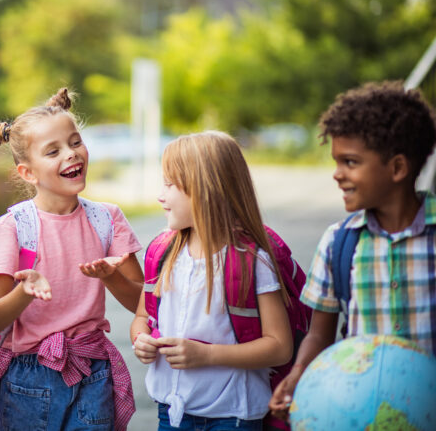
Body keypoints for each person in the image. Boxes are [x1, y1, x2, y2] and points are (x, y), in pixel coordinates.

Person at [0, 88, 144, 431]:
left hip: (93, 369)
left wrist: (112, 278)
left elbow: (143, 302)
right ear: (28, 173)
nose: (71, 154)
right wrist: (25, 291)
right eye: (53, 151)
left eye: (75, 142)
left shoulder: (108, 219)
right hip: (28, 378)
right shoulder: (13, 228)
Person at [269, 81, 436, 420]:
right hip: (363, 412)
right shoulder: (339, 243)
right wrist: (300, 372)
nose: (336, 174)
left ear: (398, 168)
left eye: (350, 162)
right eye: (336, 161)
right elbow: (319, 333)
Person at [131, 131, 294, 431]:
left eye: (169, 184)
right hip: (172, 412)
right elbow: (142, 317)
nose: (160, 195)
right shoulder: (162, 252)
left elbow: (280, 346)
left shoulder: (252, 261)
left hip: (233, 415)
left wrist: (207, 354)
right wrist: (140, 340)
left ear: (204, 190)